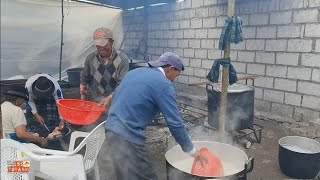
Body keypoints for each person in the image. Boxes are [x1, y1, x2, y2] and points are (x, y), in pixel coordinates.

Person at [98, 52, 208, 180]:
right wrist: (192, 151)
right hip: (129, 138)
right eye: (176, 75)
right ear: (171, 69)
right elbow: (175, 123)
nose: (174, 80)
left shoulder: (134, 72)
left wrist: (110, 97)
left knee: (123, 175)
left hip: (110, 130)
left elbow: (118, 92)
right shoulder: (164, 85)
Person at [80, 27, 129, 103]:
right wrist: (82, 101)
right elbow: (84, 79)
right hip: (96, 101)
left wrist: (110, 98)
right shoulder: (90, 58)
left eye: (104, 44)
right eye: (98, 45)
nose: (101, 48)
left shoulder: (122, 59)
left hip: (115, 101)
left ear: (111, 42)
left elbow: (122, 83)